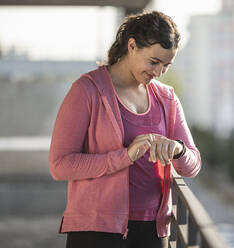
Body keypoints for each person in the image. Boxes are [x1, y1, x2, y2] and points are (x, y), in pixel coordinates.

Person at [49, 10, 201, 248]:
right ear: (132, 46)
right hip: (96, 230)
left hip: (153, 229)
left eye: (166, 65)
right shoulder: (87, 91)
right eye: (153, 62)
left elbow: (193, 165)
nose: (159, 72)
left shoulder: (167, 98)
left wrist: (178, 149)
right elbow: (59, 166)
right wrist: (125, 156)